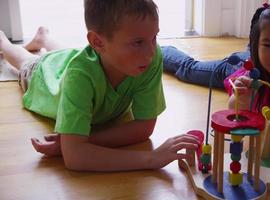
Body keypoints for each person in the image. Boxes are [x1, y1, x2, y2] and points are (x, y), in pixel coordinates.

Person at [0, 0, 200, 172]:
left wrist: (81, 142)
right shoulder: (78, 76)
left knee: (72, 56)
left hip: (80, 60)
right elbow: (75, 158)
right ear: (97, 42)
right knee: (26, 63)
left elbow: (143, 128)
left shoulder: (147, 58)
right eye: (138, 42)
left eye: (154, 37)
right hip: (45, 75)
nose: (150, 52)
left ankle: (43, 37)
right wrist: (151, 158)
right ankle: (3, 41)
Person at [163, 0, 270, 144]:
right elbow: (233, 111)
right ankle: (163, 50)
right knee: (189, 69)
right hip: (240, 65)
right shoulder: (251, 75)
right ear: (259, 46)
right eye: (268, 45)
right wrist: (241, 100)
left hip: (257, 56)